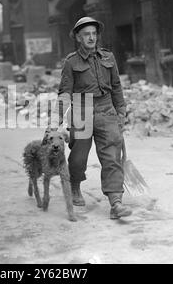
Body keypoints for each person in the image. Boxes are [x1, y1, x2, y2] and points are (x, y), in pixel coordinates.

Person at [49, 16, 132, 219]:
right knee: (78, 157)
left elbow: (116, 87)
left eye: (94, 34)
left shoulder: (108, 58)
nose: (91, 38)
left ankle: (116, 202)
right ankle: (75, 185)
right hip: (81, 109)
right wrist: (55, 122)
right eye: (86, 34)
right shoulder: (71, 62)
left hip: (106, 109)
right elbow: (65, 93)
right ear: (78, 37)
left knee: (112, 155)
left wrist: (121, 112)